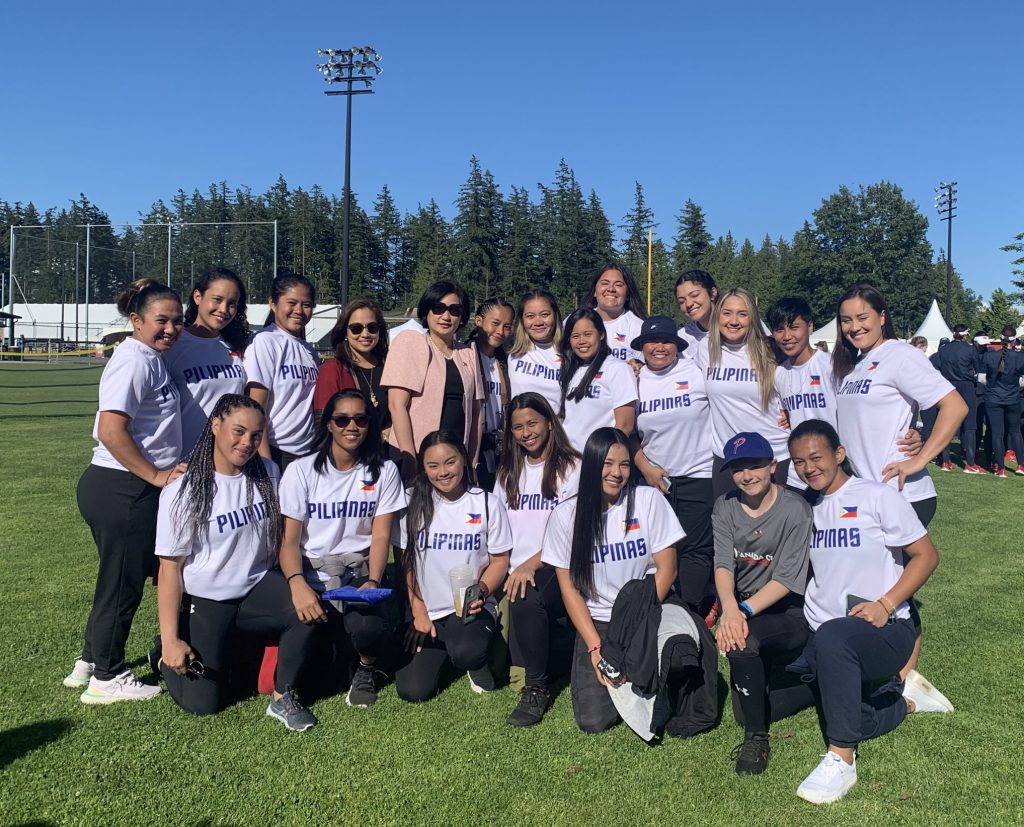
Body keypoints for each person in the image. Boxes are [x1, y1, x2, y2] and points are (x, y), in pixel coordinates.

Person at [788, 420, 953, 805]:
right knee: (839, 706)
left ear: (839, 454)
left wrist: (886, 604)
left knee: (834, 640)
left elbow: (926, 556)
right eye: (798, 462)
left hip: (881, 628)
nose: (809, 468)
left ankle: (842, 757)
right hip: (824, 634)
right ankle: (903, 701)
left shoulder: (876, 496)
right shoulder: (805, 507)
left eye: (816, 457)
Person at [153, 394, 319, 729]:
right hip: (209, 598)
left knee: (306, 609)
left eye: (256, 436)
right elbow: (170, 569)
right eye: (238, 431)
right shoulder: (183, 490)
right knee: (204, 704)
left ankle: (282, 696)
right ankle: (159, 654)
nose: (246, 443)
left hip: (256, 586)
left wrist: (297, 583)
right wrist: (170, 640)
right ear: (215, 425)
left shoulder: (268, 472)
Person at [542, 427, 703, 736]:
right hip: (600, 621)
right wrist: (594, 646)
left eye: (625, 464)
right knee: (593, 721)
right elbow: (570, 589)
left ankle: (656, 679)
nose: (617, 473)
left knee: (680, 662)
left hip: (647, 610)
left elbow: (667, 570)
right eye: (608, 463)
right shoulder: (566, 516)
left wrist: (631, 626)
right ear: (592, 464)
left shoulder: (648, 500)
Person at [67, 278, 184, 703]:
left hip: (119, 487)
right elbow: (111, 430)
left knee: (113, 580)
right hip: (123, 488)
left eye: (177, 321)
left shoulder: (151, 357)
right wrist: (154, 476)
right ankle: (107, 677)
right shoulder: (135, 360)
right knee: (122, 585)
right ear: (135, 321)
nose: (170, 329)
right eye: (160, 321)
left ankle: (87, 662)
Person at [278, 389, 406, 708]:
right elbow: (289, 541)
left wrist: (373, 581)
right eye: (342, 419)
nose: (352, 426)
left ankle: (366, 667)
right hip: (313, 573)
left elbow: (379, 537)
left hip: (357, 572)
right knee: (313, 681)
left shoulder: (384, 471)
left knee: (368, 627)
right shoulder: (301, 470)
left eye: (361, 419)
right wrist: (297, 585)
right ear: (329, 425)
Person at [712, 431, 813, 776]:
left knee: (743, 642)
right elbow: (723, 563)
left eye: (755, 465)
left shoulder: (795, 509)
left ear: (773, 466)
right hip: (743, 608)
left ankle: (757, 739)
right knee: (745, 705)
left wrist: (740, 614)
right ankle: (812, 683)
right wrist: (729, 609)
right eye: (738, 469)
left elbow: (786, 581)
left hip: (788, 610)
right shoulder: (725, 504)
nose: (747, 475)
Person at [832, 282, 967, 527]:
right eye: (846, 320)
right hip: (865, 493)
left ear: (882, 317)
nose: (854, 327)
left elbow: (955, 406)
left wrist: (920, 457)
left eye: (863, 317)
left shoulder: (901, 355)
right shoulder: (852, 366)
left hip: (900, 491)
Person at [392, 431, 512, 702]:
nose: (443, 472)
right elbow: (405, 562)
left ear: (464, 460)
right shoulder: (411, 502)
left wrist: (481, 590)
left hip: (470, 609)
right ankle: (448, 649)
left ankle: (475, 661)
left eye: (450, 462)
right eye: (433, 466)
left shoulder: (485, 502)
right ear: (423, 467)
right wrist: (417, 609)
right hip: (427, 613)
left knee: (468, 650)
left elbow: (500, 561)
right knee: (413, 691)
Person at [494, 392, 581, 727]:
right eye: (517, 427)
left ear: (549, 422)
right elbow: (498, 532)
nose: (526, 432)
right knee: (499, 663)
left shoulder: (572, 467)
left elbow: (572, 532)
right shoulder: (506, 472)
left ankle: (537, 690)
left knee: (526, 595)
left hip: (556, 565)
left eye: (532, 423)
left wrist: (531, 563)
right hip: (512, 571)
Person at [630, 316, 715, 611]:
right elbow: (627, 432)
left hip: (698, 474)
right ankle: (656, 609)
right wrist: (646, 469)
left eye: (666, 341)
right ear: (641, 347)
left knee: (695, 549)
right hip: (655, 478)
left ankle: (691, 611)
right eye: (652, 342)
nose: (659, 348)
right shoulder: (634, 378)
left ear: (677, 345)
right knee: (657, 549)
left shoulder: (695, 370)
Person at [382, 281, 483, 480]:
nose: (446, 316)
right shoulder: (411, 342)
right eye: (438, 308)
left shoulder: (468, 353)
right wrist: (409, 458)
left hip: (454, 461)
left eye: (454, 310)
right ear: (427, 311)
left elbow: (477, 411)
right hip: (416, 456)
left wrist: (471, 462)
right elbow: (397, 405)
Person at [694, 287, 789, 499]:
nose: (734, 321)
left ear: (752, 318)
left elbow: (797, 382)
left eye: (742, 314)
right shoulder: (705, 348)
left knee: (777, 530)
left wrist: (792, 412)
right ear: (718, 315)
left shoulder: (770, 350)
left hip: (773, 456)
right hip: (729, 459)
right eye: (727, 313)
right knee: (732, 529)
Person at [164, 267, 249, 455]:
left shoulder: (237, 346)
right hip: (185, 461)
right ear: (197, 297)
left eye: (232, 303)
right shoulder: (173, 345)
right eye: (217, 300)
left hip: (227, 461)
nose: (224, 310)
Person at [244, 273, 319, 471]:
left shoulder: (309, 350)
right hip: (277, 452)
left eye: (307, 304)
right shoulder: (265, 341)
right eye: (292, 303)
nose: (299, 311)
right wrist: (266, 462)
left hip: (306, 453)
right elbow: (256, 406)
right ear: (273, 303)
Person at [557, 308, 637, 453]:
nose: (581, 341)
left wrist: (607, 459)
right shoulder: (570, 370)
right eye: (575, 336)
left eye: (588, 334)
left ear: (601, 334)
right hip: (569, 461)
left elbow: (625, 425)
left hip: (599, 461)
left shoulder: (617, 369)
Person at [313, 299, 390, 435]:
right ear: (345, 332)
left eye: (372, 328)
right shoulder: (332, 371)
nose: (365, 334)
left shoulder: (389, 366)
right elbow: (323, 424)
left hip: (386, 453)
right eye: (356, 328)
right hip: (347, 453)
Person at [467, 298, 515, 491]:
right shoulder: (465, 356)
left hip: (500, 446)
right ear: (478, 321)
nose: (500, 332)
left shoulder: (505, 361)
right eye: (495, 323)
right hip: (474, 447)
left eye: (507, 326)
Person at [507, 289, 565, 413]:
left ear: (555, 315)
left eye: (544, 314)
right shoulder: (509, 350)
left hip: (557, 429)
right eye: (530, 316)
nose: (538, 322)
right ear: (522, 320)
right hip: (521, 430)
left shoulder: (569, 353)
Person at [980, 326, 1024, 478]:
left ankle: (1001, 468)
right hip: (1013, 398)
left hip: (993, 397)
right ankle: (1020, 465)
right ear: (1014, 339)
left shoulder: (990, 356)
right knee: (1015, 431)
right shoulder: (1020, 357)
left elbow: (981, 379)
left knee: (997, 434)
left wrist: (993, 386)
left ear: (1000, 338)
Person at [589, 262, 647, 363]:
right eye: (605, 283)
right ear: (594, 290)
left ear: (628, 294)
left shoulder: (638, 327)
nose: (611, 289)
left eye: (618, 285)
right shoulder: (576, 322)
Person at [675, 270, 719, 356]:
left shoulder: (734, 330)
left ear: (713, 293)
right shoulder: (681, 338)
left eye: (694, 295)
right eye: (681, 301)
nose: (688, 304)